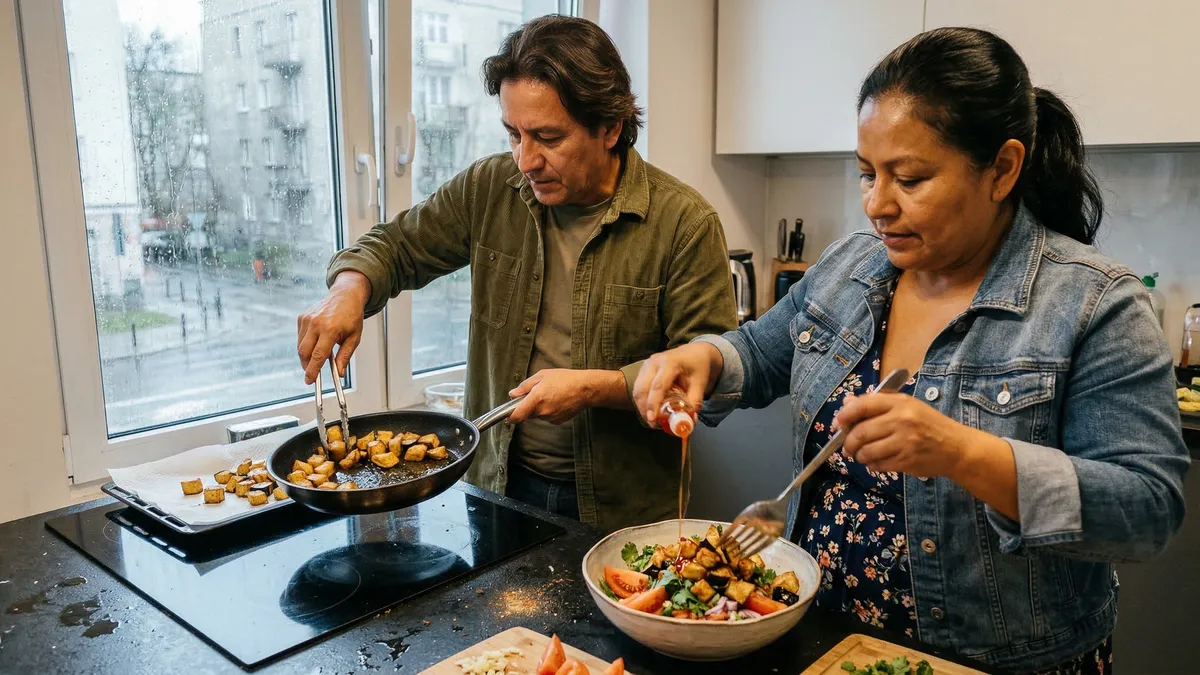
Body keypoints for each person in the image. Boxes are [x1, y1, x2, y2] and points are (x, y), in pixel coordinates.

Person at [632, 27, 1188, 675]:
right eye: (867, 173)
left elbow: (1147, 507)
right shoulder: (852, 266)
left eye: (911, 178)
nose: (876, 205)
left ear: (1002, 169)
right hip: (827, 640)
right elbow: (760, 350)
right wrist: (705, 359)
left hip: (994, 659)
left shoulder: (1095, 304)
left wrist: (961, 452)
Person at [296, 16, 737, 532]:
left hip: (622, 512)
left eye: (548, 137)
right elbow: (395, 247)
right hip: (497, 487)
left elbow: (713, 378)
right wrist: (350, 288)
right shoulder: (490, 188)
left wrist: (593, 388)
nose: (526, 159)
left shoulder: (685, 223)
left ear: (610, 128)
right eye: (514, 134)